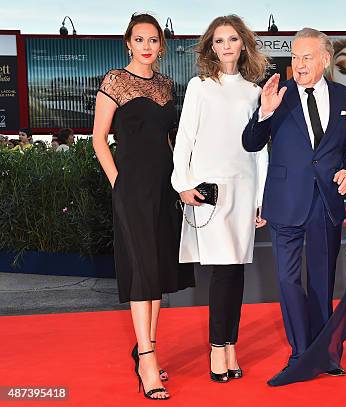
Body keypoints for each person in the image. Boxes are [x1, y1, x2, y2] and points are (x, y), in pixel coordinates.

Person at [242, 27, 346, 385]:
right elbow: (250, 142)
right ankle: (299, 351)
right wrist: (264, 112)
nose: (299, 63)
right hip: (285, 201)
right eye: (295, 56)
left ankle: (324, 352)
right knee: (288, 280)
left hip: (326, 202)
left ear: (325, 59)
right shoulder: (277, 95)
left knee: (323, 281)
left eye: (307, 57)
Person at [92, 13, 195, 400]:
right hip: (132, 188)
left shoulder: (167, 85)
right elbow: (99, 139)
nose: (147, 46)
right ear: (128, 43)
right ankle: (147, 358)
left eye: (153, 40)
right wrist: (119, 184)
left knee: (158, 271)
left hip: (164, 187)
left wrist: (179, 180)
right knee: (141, 271)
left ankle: (146, 346)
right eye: (140, 39)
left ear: (160, 45)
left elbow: (167, 142)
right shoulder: (115, 81)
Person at [171, 15, 268, 384]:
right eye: (219, 40)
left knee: (236, 267)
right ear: (211, 47)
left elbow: (259, 152)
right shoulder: (200, 87)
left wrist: (261, 199)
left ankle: (230, 345)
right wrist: (182, 183)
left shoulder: (254, 92)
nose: (226, 46)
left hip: (244, 188)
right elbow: (186, 138)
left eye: (232, 39)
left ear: (243, 43)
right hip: (209, 190)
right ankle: (217, 347)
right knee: (223, 268)